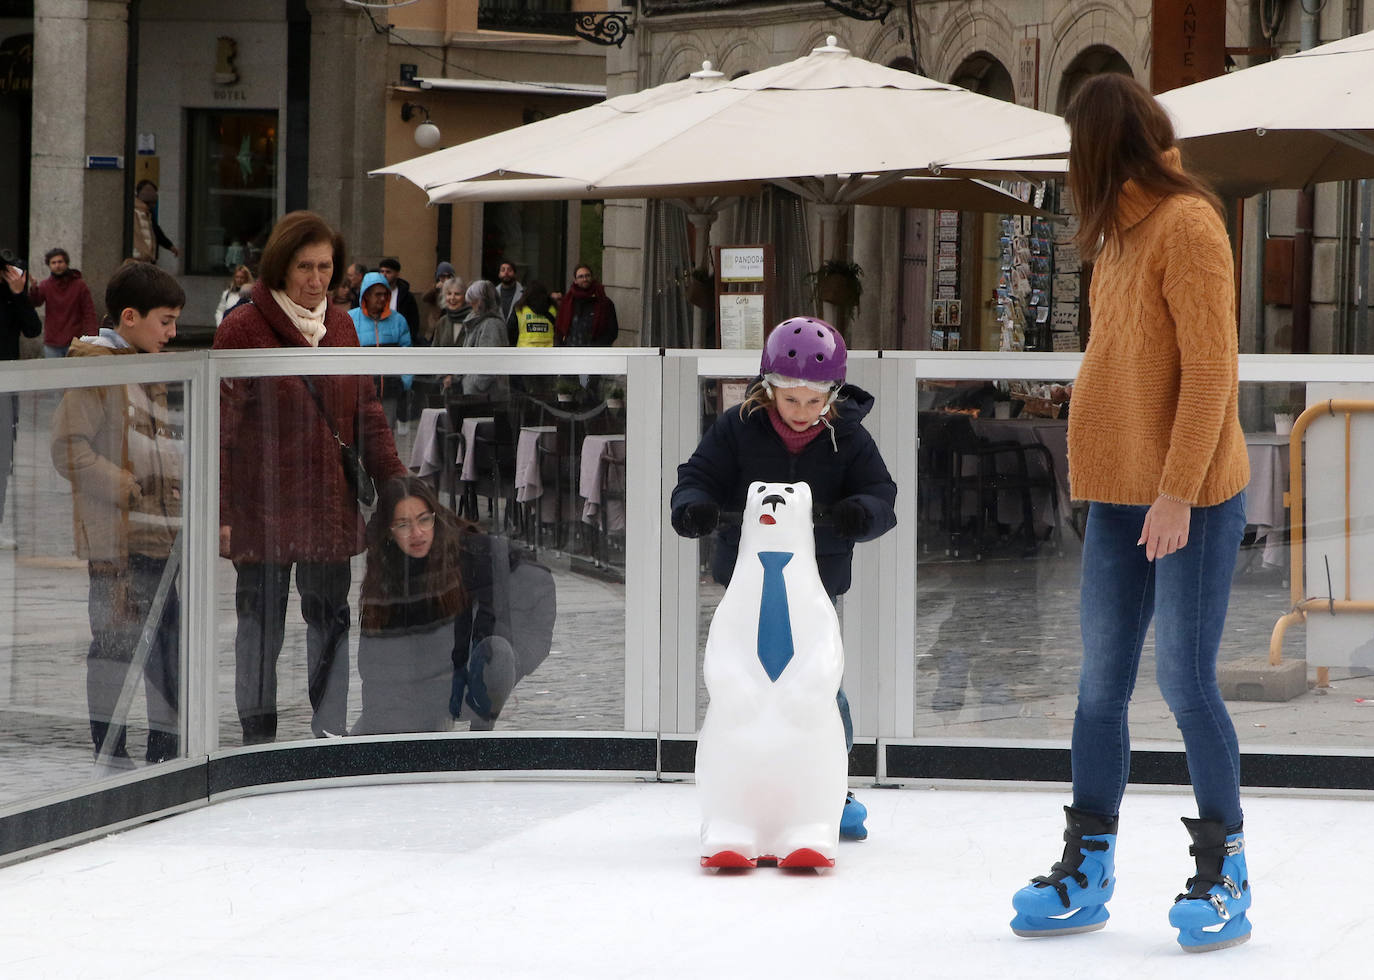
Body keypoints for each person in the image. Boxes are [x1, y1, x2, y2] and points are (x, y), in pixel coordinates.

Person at [1008, 74, 1253, 953]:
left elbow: (1211, 370)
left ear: (1103, 147)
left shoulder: (1189, 225)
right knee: (1098, 687)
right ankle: (1089, 868)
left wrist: (1180, 490)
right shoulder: (1116, 231)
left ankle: (1226, 870)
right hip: (1120, 497)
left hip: (1194, 496)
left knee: (1184, 683)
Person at [670, 316, 897, 841]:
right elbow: (698, 475)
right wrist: (695, 507)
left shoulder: (850, 437)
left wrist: (859, 513)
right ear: (767, 390)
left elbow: (881, 493)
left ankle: (830, 787)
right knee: (740, 680)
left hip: (817, 582)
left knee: (819, 685)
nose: (801, 413)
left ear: (833, 395)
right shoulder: (736, 428)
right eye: (789, 400)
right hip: (747, 580)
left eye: (813, 402)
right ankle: (742, 786)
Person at [215, 211, 408, 745]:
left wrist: (395, 483)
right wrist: (224, 514)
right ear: (281, 264)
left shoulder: (342, 325)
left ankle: (329, 735)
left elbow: (366, 410)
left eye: (325, 267)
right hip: (263, 508)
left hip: (327, 504)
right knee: (260, 630)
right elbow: (220, 432)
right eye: (305, 266)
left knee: (330, 623)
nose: (316, 279)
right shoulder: (243, 328)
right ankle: (259, 741)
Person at [50, 261, 186, 767]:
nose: (172, 333)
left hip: (160, 537)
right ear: (130, 317)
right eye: (165, 321)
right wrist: (126, 487)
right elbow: (68, 448)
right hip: (118, 545)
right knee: (115, 646)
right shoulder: (99, 369)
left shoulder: (144, 365)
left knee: (168, 651)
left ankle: (166, 751)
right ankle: (111, 750)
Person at [352, 476, 518, 735]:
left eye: (423, 519)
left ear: (435, 517)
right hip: (412, 691)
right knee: (362, 754)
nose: (417, 533)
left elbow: (492, 628)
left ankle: (480, 737)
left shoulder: (473, 556)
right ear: (390, 531)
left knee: (499, 651)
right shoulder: (385, 571)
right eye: (403, 524)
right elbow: (373, 663)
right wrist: (378, 718)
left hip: (462, 682)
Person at [0, 255, 40, 550]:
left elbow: (33, 329)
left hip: (5, 386)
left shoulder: (11, 297)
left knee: (2, 459)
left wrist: (17, 296)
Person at [349, 270, 414, 431]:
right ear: (366, 295)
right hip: (360, 394)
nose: (383, 298)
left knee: (387, 438)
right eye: (378, 294)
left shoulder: (398, 320)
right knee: (361, 437)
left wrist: (404, 383)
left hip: (390, 394)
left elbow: (408, 355)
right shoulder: (351, 319)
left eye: (385, 294)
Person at [442, 280, 509, 401]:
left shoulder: (491, 324)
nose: (470, 304)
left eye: (473, 300)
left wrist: (476, 384)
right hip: (478, 394)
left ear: (481, 301)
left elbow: (489, 363)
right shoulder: (477, 321)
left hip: (486, 397)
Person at [29, 247, 98, 357]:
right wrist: (33, 289)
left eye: (60, 262)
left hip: (75, 341)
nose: (57, 265)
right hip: (52, 342)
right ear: (49, 265)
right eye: (53, 263)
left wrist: (93, 337)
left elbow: (89, 312)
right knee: (53, 373)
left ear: (66, 263)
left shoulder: (79, 285)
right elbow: (36, 302)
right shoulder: (45, 285)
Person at [554, 264, 618, 347]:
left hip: (595, 354)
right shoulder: (567, 302)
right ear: (575, 280)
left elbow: (612, 331)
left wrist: (597, 348)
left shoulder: (605, 303)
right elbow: (559, 330)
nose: (585, 279)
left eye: (587, 276)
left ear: (591, 277)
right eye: (580, 277)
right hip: (571, 352)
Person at [131, 180, 180, 264]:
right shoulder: (141, 213)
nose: (154, 206)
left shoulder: (145, 212)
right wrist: (169, 246)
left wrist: (169, 246)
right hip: (141, 259)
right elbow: (154, 232)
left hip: (141, 259)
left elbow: (156, 231)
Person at [377, 257, 420, 339]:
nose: (384, 275)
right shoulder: (372, 294)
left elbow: (413, 322)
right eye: (382, 271)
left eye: (388, 272)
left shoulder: (407, 297)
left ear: (397, 274)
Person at [418, 261, 458, 346]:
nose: (446, 279)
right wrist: (435, 288)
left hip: (450, 330)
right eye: (443, 276)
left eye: (449, 276)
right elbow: (424, 298)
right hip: (434, 330)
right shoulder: (435, 289)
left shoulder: (456, 290)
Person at [510, 280, 557, 348]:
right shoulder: (553, 309)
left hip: (524, 352)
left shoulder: (519, 309)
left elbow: (511, 331)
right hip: (548, 353)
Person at [431, 276, 469, 348]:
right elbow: (435, 349)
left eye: (457, 294)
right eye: (449, 294)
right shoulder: (442, 322)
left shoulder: (472, 320)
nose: (452, 298)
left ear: (465, 296)